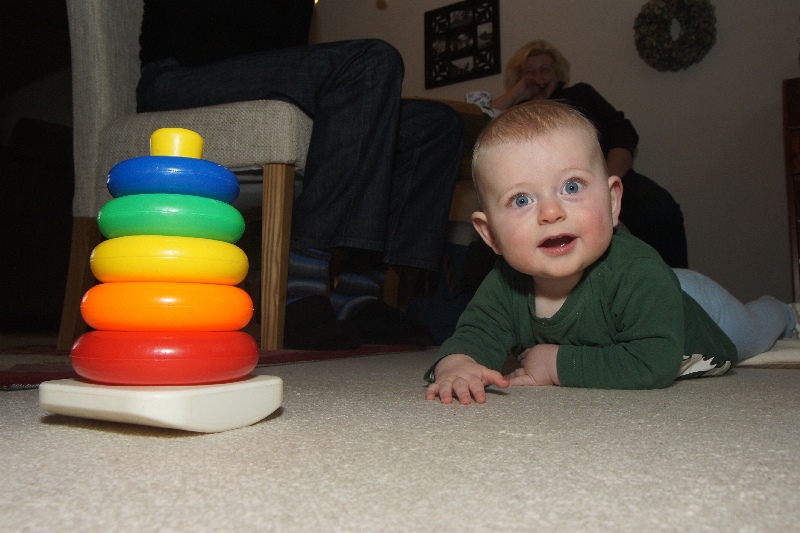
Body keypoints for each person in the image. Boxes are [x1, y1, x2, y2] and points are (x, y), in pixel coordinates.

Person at [136, 0, 464, 349]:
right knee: (372, 61)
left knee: (435, 125)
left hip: (252, 72)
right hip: (176, 76)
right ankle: (299, 284)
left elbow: (290, 51)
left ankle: (359, 292)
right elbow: (197, 42)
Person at [425, 100, 797, 404]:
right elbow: (477, 333)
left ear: (613, 201)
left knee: (754, 332)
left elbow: (653, 362)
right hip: (655, 287)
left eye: (571, 187)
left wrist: (556, 364)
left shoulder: (636, 271)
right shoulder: (505, 284)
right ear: (491, 235)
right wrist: (457, 365)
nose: (551, 212)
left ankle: (784, 311)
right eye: (521, 199)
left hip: (696, 307)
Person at [489, 40, 689, 268]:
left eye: (545, 70)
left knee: (658, 208)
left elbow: (622, 133)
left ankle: (677, 281)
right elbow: (483, 121)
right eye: (529, 72)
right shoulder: (515, 113)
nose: (539, 78)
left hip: (608, 175)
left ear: (557, 73)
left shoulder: (580, 94)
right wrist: (518, 91)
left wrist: (602, 183)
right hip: (540, 190)